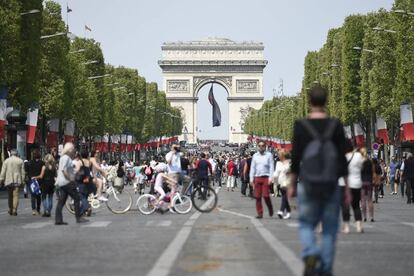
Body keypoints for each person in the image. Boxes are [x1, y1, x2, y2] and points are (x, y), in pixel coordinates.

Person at [288, 85, 350, 276]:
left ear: (309, 101)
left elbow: (296, 158)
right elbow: (342, 158)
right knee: (330, 231)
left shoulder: (301, 125)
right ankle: (325, 270)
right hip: (331, 184)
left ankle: (311, 252)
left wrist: (292, 184)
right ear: (326, 101)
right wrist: (346, 187)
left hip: (308, 183)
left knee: (306, 224)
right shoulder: (336, 125)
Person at [55, 143, 88, 225]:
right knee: (77, 198)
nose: (74, 150)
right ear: (69, 149)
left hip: (63, 182)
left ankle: (58, 220)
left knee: (61, 201)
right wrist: (70, 179)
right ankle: (78, 217)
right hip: (66, 182)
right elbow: (64, 170)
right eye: (73, 149)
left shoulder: (64, 158)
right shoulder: (66, 158)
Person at [340, 140, 364, 234]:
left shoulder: (342, 157)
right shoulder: (358, 156)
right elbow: (362, 167)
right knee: (356, 205)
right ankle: (359, 226)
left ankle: (346, 227)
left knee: (345, 206)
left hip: (343, 184)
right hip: (356, 183)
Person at [249, 141, 274, 219]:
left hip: (266, 177)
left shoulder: (269, 155)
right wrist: (251, 178)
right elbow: (252, 167)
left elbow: (271, 167)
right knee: (257, 196)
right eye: (259, 146)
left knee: (266, 195)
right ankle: (260, 213)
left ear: (265, 146)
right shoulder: (255, 156)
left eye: (262, 146)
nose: (261, 147)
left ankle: (270, 208)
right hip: (257, 177)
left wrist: (271, 178)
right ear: (257, 146)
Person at [0, 149, 26, 216]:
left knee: (10, 195)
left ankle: (10, 208)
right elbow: (23, 172)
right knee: (16, 195)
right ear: (17, 154)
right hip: (17, 180)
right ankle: (15, 210)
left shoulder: (6, 161)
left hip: (9, 180)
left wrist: (1, 179)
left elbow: (3, 171)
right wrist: (23, 180)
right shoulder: (20, 161)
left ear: (11, 154)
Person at [273, 149, 291, 219]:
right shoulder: (278, 163)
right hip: (281, 182)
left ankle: (281, 211)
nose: (278, 156)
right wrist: (273, 179)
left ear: (283, 155)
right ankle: (289, 212)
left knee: (284, 197)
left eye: (279, 154)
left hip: (289, 182)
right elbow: (276, 173)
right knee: (285, 197)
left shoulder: (290, 163)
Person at [25, 149, 44, 215]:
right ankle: (38, 209)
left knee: (33, 195)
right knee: (38, 195)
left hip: (32, 180)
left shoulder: (29, 162)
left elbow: (26, 170)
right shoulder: (42, 163)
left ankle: (33, 209)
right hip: (39, 181)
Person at [360, 148, 374, 222]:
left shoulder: (359, 162)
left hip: (362, 182)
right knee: (370, 200)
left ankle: (364, 217)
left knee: (363, 200)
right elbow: (372, 172)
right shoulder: (370, 162)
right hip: (369, 182)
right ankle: (371, 217)